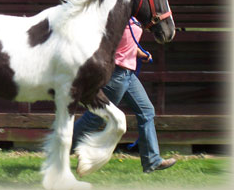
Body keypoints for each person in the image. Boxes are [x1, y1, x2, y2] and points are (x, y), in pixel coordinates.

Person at [72, 17, 176, 173]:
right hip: (115, 74)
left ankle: (152, 161)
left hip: (129, 74)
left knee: (146, 111)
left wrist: (141, 53)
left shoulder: (133, 17)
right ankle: (61, 147)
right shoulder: (115, 15)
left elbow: (129, 43)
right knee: (96, 116)